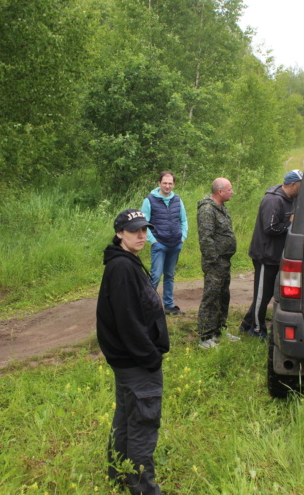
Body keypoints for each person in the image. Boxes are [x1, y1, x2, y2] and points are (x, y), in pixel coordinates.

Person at [96, 209, 170, 495]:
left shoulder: (124, 262)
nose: (141, 235)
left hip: (127, 362)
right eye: (134, 230)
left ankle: (118, 476)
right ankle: (144, 489)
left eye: (144, 230)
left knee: (126, 419)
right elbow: (128, 322)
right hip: (137, 363)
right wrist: (150, 358)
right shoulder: (123, 268)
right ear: (119, 233)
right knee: (142, 423)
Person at [240, 169, 303, 339]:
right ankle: (257, 330)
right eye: (301, 185)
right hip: (265, 255)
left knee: (267, 294)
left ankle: (246, 324)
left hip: (277, 255)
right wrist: (289, 223)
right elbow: (271, 227)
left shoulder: (292, 199)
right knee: (262, 295)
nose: (302, 189)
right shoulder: (273, 200)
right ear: (293, 184)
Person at [196, 178, 240, 348]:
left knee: (223, 296)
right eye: (230, 189)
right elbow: (205, 238)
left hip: (224, 261)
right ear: (220, 191)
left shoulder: (221, 207)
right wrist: (214, 260)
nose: (232, 192)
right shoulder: (207, 210)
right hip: (215, 262)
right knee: (211, 297)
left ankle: (219, 330)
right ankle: (205, 336)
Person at [141, 171, 188, 315]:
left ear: (173, 184)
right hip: (159, 244)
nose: (167, 186)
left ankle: (169, 306)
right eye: (165, 183)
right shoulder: (149, 200)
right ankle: (146, 307)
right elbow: (143, 223)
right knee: (155, 276)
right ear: (159, 183)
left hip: (175, 244)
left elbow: (183, 220)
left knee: (169, 275)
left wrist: (183, 237)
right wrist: (153, 241)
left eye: (170, 183)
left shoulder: (177, 200)